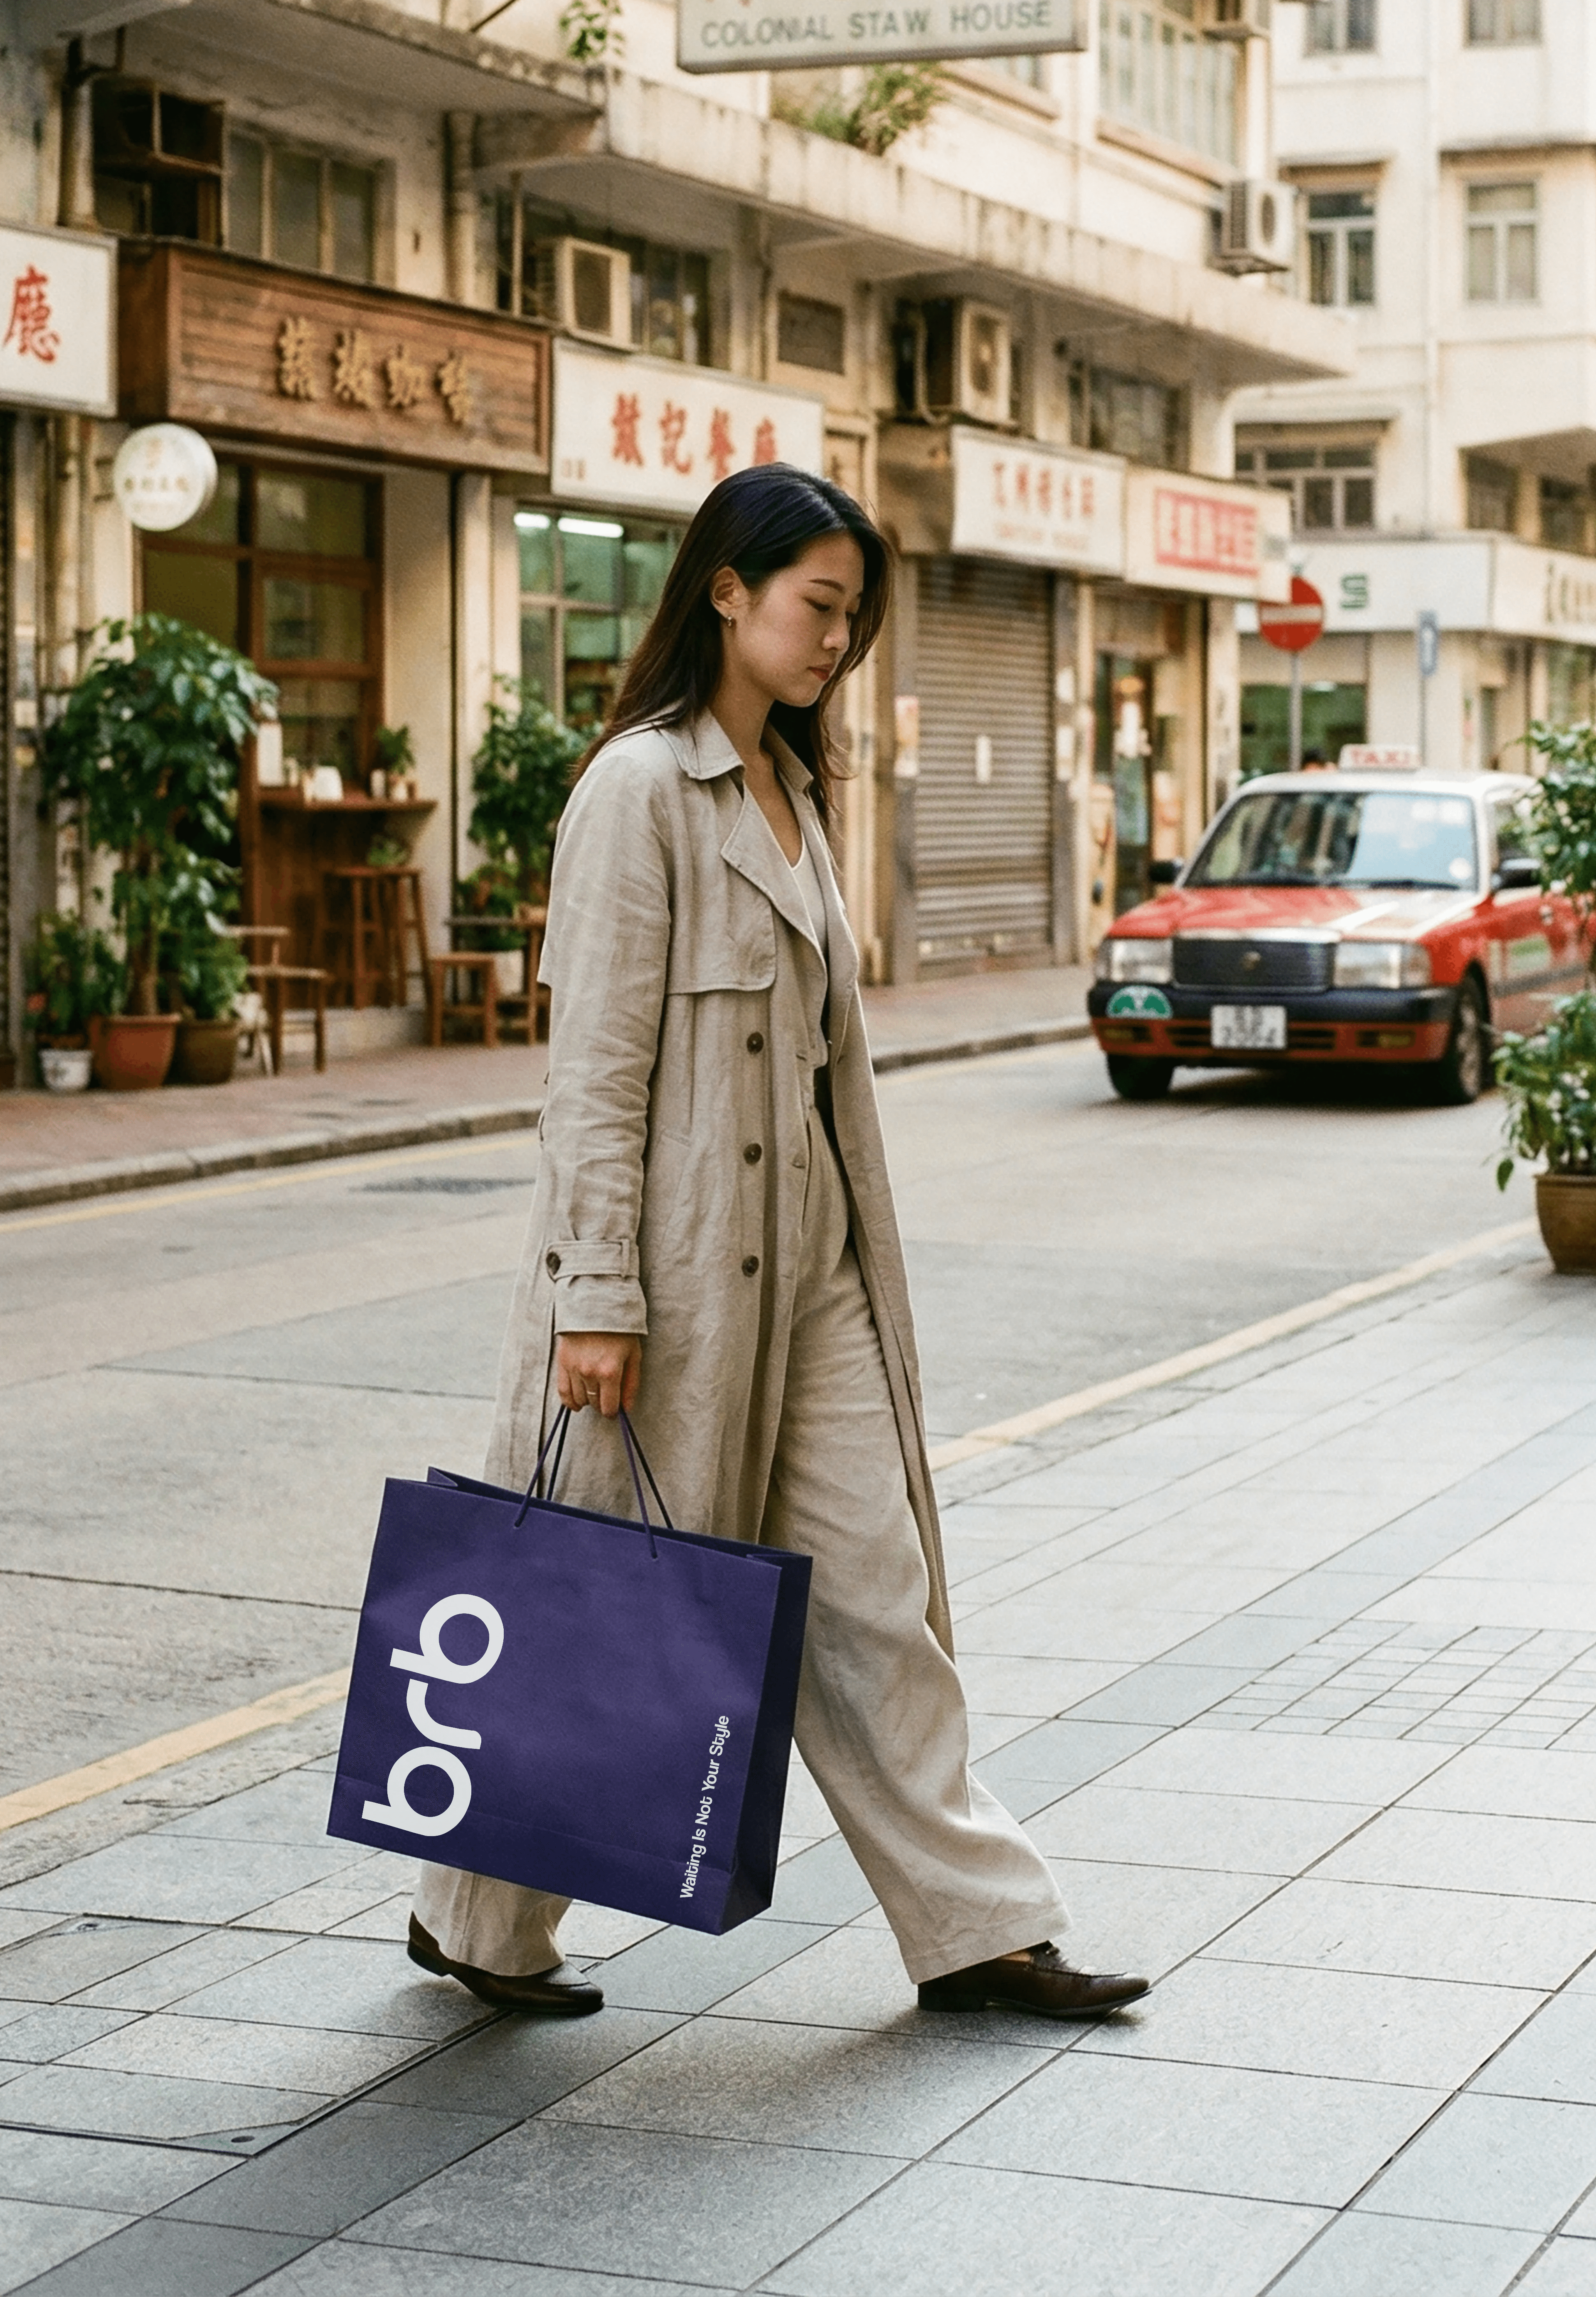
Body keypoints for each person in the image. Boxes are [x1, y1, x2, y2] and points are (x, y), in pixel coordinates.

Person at [407, 465, 1149, 2023]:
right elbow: (593, 1074)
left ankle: (976, 1924)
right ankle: (477, 1920)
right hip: (671, 1283)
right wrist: (596, 1296)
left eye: (852, 617)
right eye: (818, 605)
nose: (836, 640)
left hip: (808, 1274)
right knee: (596, 1601)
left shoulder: (793, 795)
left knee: (875, 1591)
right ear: (726, 591)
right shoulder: (635, 791)